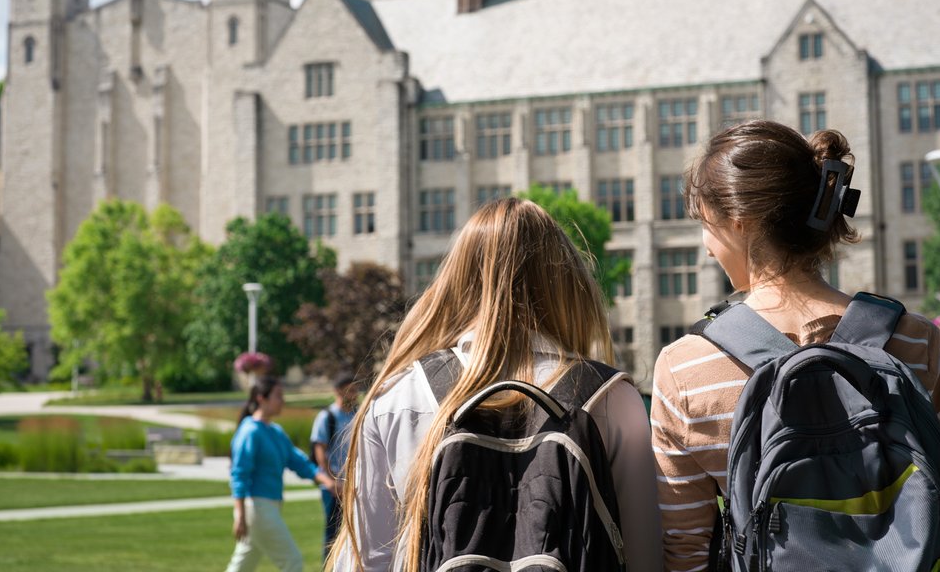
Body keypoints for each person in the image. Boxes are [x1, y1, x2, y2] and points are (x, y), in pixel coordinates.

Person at [651, 120, 940, 572]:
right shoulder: (918, 341)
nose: (706, 248)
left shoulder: (687, 369)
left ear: (738, 221)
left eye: (706, 224)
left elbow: (687, 554)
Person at [330, 197, 662, 572]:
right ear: (568, 282)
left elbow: (369, 558)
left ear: (455, 280)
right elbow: (644, 553)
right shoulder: (610, 397)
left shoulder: (398, 396)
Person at [225, 375, 337, 572]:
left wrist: (326, 481)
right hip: (257, 508)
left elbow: (298, 461)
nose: (282, 401)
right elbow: (239, 474)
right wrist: (240, 515)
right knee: (292, 562)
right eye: (278, 396)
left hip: (268, 507)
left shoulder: (274, 431)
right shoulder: (250, 431)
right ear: (262, 398)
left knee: (242, 566)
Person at [311, 370, 359, 557]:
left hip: (353, 484)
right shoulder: (327, 417)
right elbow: (320, 451)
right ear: (338, 391)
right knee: (333, 535)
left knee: (353, 532)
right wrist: (333, 481)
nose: (354, 395)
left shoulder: (357, 413)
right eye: (350, 390)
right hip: (333, 487)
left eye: (356, 390)